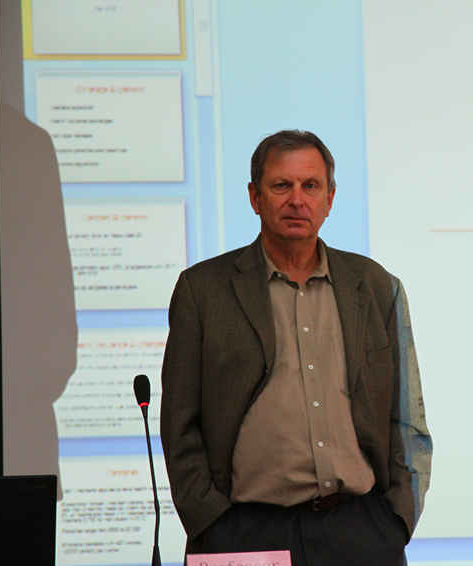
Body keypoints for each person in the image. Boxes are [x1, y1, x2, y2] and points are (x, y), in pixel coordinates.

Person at [160, 130, 432, 565]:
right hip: (245, 533)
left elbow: (406, 417)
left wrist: (397, 518)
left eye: (310, 186)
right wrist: (210, 522)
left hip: (361, 531)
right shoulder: (203, 290)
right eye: (281, 185)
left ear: (330, 198)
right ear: (255, 197)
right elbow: (179, 424)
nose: (297, 200)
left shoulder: (376, 286)